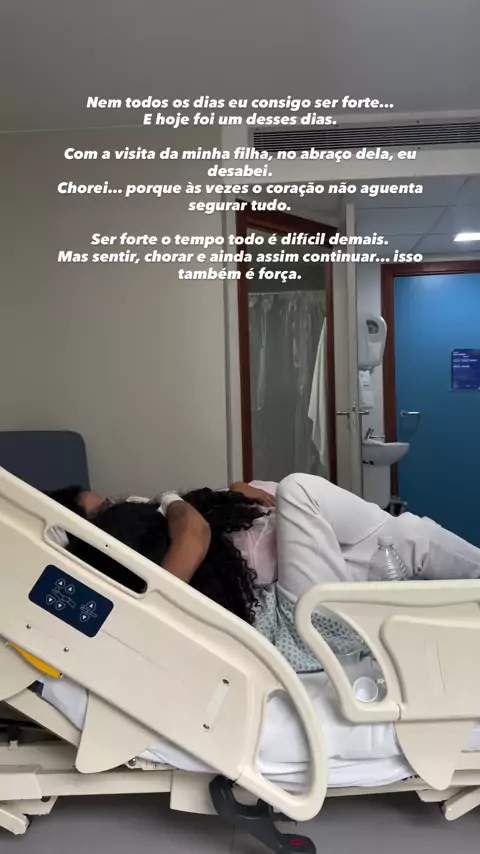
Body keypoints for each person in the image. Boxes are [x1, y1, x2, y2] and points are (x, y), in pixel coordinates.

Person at [50, 475, 480, 673]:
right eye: (102, 510)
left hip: (316, 574)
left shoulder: (156, 531)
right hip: (311, 621)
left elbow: (208, 515)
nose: (117, 505)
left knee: (410, 536)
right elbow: (195, 533)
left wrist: (235, 492)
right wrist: (170, 499)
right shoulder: (146, 581)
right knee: (298, 490)